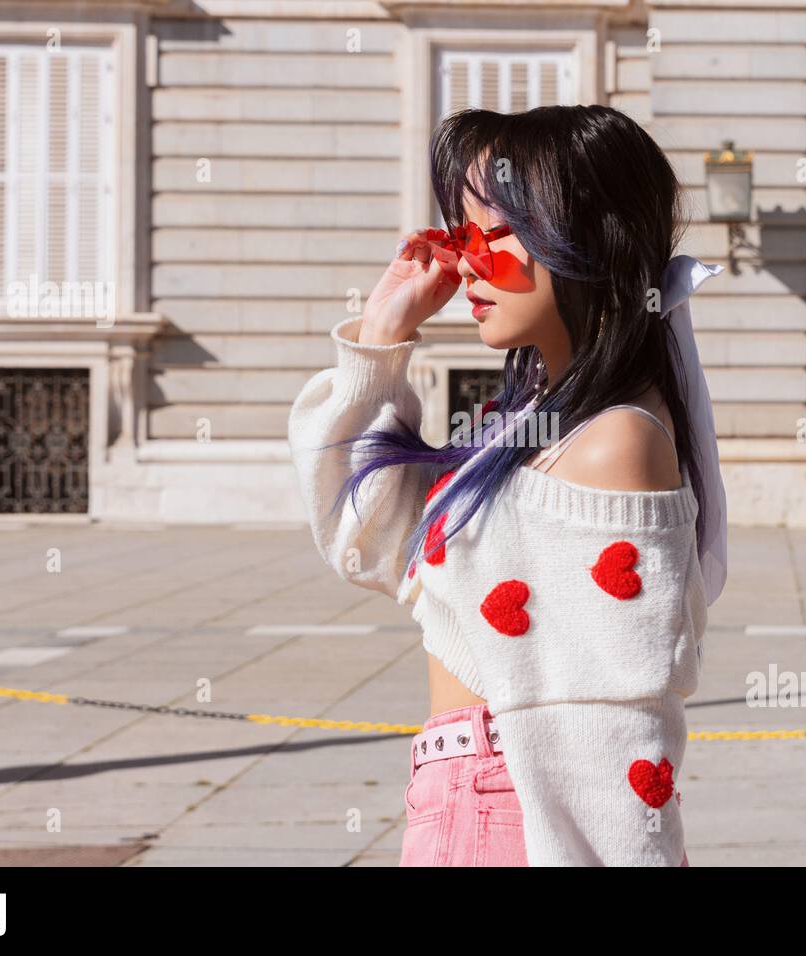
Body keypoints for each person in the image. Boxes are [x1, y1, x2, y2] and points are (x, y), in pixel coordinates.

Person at [288, 104, 727, 866]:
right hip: (469, 801)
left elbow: (611, 723)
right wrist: (381, 335)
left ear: (582, 240)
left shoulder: (614, 442)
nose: (465, 267)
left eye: (491, 239)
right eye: (462, 237)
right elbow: (364, 537)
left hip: (507, 809)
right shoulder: (524, 423)